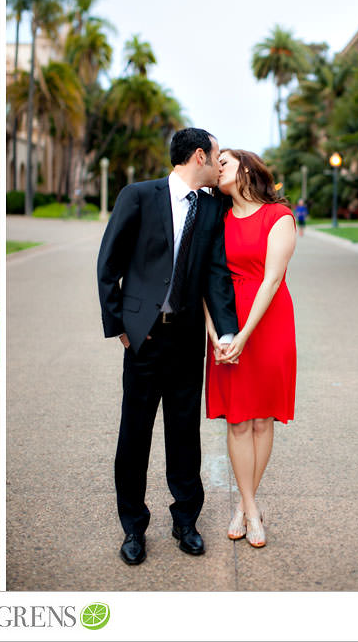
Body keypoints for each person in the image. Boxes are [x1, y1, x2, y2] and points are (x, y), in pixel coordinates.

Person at [97, 128, 240, 565]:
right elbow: (108, 263)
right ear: (199, 155)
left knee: (184, 433)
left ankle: (185, 521)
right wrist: (119, 325)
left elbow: (216, 272)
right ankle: (133, 528)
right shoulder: (138, 196)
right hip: (144, 336)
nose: (219, 165)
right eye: (216, 156)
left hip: (186, 336)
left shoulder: (212, 207)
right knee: (134, 435)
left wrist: (228, 330)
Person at [204, 149, 297, 548]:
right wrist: (215, 335)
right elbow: (204, 280)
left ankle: (245, 507)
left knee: (263, 420)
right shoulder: (215, 217)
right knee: (238, 420)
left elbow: (272, 280)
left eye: (222, 161)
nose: (216, 167)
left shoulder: (279, 217)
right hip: (226, 324)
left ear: (246, 167)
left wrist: (246, 335)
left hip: (268, 321)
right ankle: (251, 507)